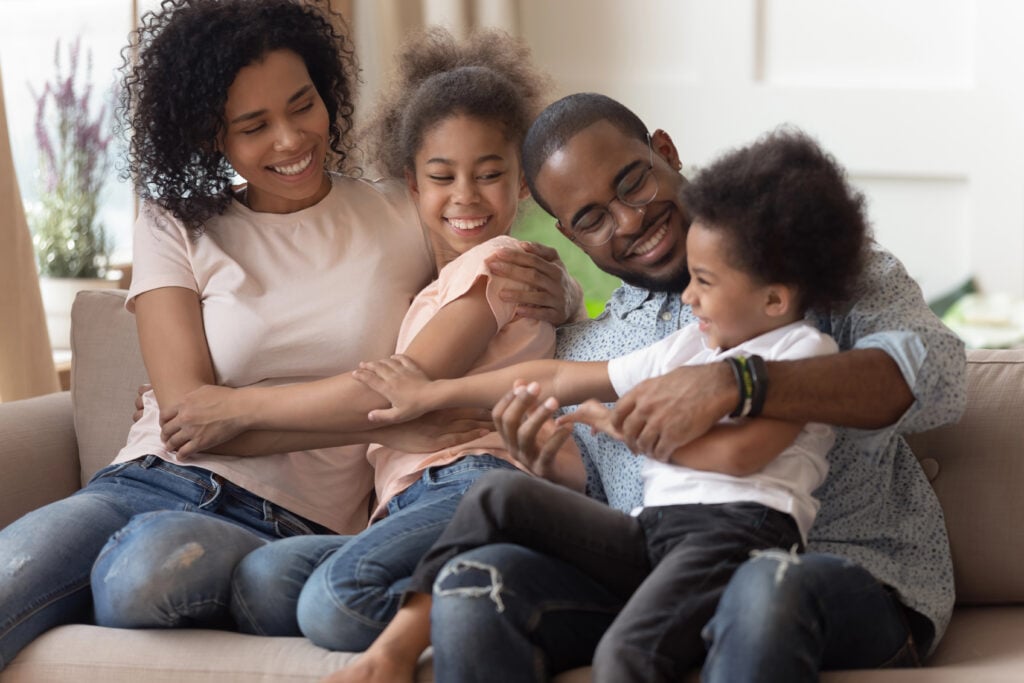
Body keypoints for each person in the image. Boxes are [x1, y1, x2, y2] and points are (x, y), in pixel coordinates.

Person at [0, 0, 574, 668]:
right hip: (149, 477)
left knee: (138, 578)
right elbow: (188, 418)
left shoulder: (400, 209)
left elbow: (486, 256)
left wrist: (554, 290)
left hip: (291, 520)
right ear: (212, 134)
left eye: (302, 105)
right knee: (14, 573)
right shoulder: (173, 225)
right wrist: (373, 421)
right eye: (254, 125)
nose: (291, 139)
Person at [416, 93, 967, 682]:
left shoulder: (812, 270)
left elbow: (936, 376)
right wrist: (549, 464)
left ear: (665, 152)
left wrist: (739, 381)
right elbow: (613, 502)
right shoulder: (589, 348)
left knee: (764, 581)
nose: (628, 221)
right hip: (665, 582)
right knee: (479, 582)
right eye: (593, 218)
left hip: (836, 574)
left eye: (633, 183)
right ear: (571, 236)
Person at [335, 127, 869, 683]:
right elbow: (559, 375)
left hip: (736, 537)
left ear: (775, 298)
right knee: (498, 494)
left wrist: (627, 430)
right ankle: (395, 649)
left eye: (705, 281)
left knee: (625, 656)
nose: (688, 296)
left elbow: (740, 457)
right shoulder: (691, 344)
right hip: (657, 531)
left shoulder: (802, 351)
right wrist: (433, 392)